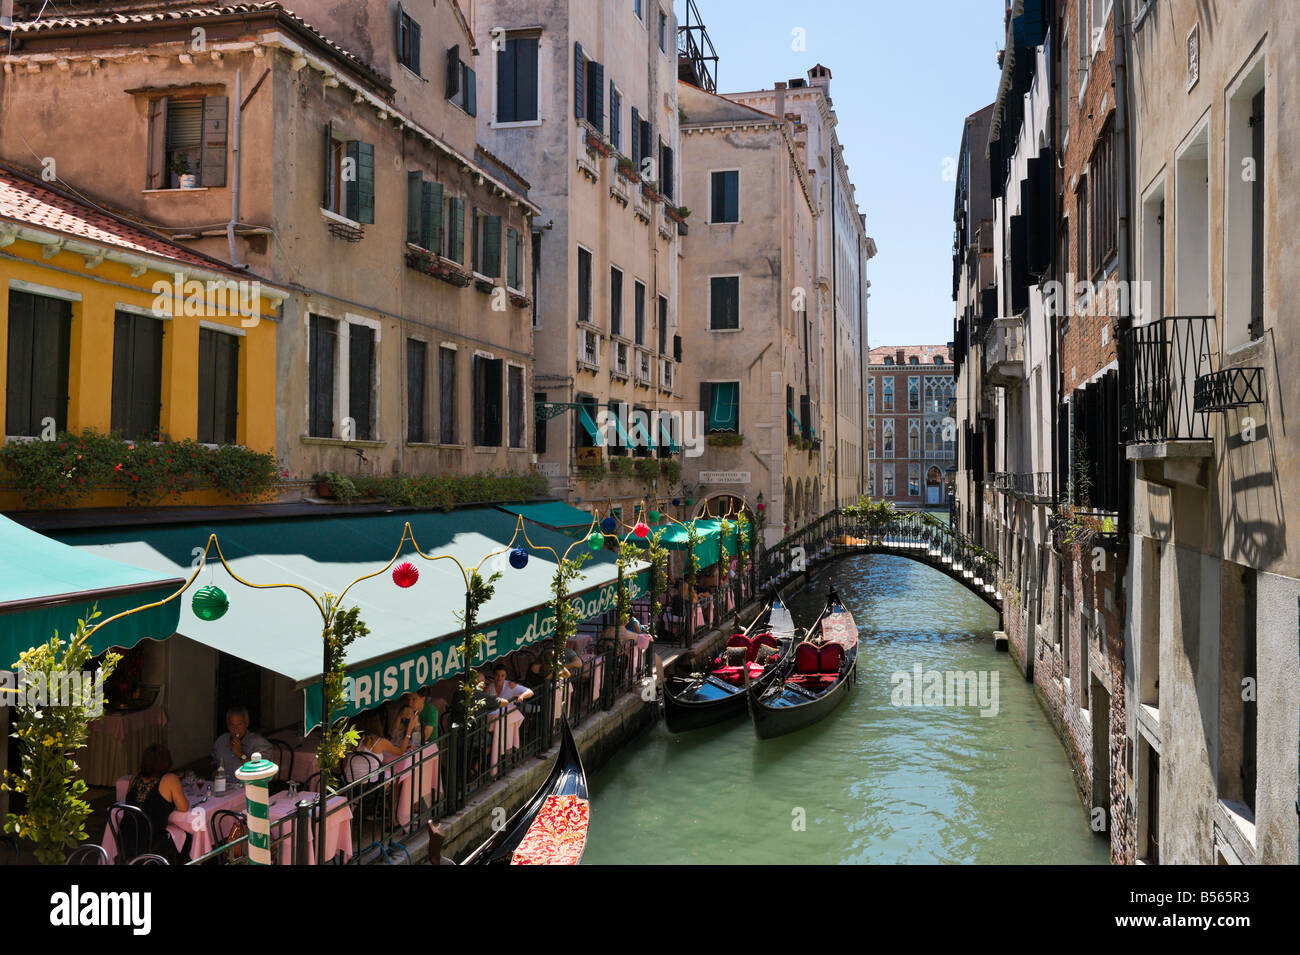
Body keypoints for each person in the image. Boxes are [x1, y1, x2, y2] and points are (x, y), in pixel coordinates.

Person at [124, 744, 190, 863]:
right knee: (188, 836)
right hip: (151, 843)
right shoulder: (170, 779)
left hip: (126, 840)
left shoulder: (134, 778)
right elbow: (183, 807)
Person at [211, 707, 271, 779]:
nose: (235, 729)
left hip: (248, 787)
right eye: (232, 725)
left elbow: (261, 771)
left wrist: (241, 754)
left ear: (246, 724)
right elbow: (214, 762)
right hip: (225, 786)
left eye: (239, 724)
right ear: (227, 725)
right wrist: (214, 771)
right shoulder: (221, 741)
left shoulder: (258, 743)